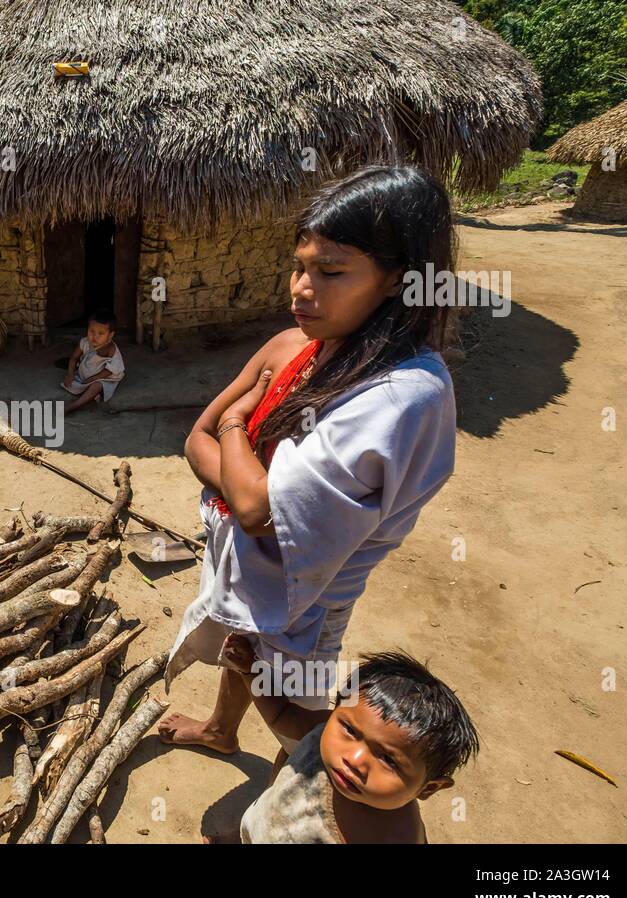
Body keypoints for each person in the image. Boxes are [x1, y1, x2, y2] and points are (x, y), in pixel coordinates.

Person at [158, 165, 458, 778]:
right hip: (249, 562)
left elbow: (260, 509)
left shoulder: (403, 396)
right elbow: (195, 440)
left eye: (331, 271)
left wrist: (237, 428)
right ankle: (220, 730)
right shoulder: (298, 347)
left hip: (309, 594)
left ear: (398, 281)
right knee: (242, 649)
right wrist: (234, 466)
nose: (300, 288)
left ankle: (286, 804)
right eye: (299, 266)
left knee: (299, 707)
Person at [222, 637, 477, 844]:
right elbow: (281, 715)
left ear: (428, 788)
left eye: (388, 759)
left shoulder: (397, 837)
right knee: (257, 823)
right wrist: (250, 670)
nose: (354, 759)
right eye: (351, 731)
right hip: (263, 824)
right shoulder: (323, 727)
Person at [61, 311, 125, 412]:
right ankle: (90, 394)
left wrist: (92, 379)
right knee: (68, 382)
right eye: (91, 331)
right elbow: (74, 358)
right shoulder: (85, 342)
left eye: (101, 333)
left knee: (97, 386)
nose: (95, 336)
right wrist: (70, 374)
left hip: (102, 377)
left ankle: (75, 406)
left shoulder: (111, 349)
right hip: (85, 374)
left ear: (110, 335)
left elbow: (109, 371)